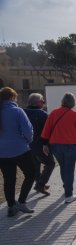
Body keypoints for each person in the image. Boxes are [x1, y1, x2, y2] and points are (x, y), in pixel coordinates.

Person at [41, 93, 76, 204]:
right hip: (69, 145)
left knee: (63, 167)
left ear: (62, 101)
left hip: (55, 145)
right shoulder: (75, 114)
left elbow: (46, 129)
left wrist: (45, 144)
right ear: (73, 102)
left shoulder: (53, 112)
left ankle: (66, 186)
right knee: (69, 169)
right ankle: (68, 194)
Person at [0, 87, 36, 217]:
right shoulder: (17, 111)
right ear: (11, 97)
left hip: (2, 153)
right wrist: (27, 141)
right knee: (31, 173)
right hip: (19, 149)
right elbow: (28, 131)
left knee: (8, 179)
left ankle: (11, 206)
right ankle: (21, 201)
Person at [24, 93, 55, 196]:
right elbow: (49, 130)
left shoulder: (23, 112)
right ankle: (40, 184)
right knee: (50, 163)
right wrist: (47, 144)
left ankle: (39, 182)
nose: (44, 103)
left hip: (27, 146)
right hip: (41, 145)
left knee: (36, 165)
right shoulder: (43, 114)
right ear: (37, 102)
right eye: (42, 101)